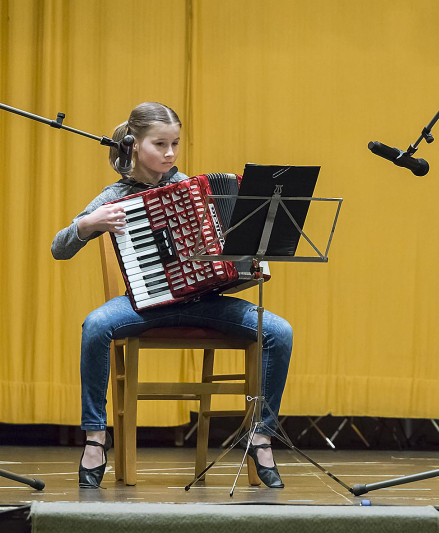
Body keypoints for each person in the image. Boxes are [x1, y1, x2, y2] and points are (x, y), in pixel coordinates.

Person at [51, 102, 293, 489]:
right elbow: (59, 248)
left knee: (279, 331)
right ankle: (96, 438)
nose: (169, 153)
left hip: (208, 302)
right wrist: (88, 224)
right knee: (96, 325)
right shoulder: (115, 195)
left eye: (175, 144)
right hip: (145, 306)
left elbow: (232, 247)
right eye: (160, 144)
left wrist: (251, 257)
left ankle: (261, 436)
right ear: (132, 145)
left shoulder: (196, 190)